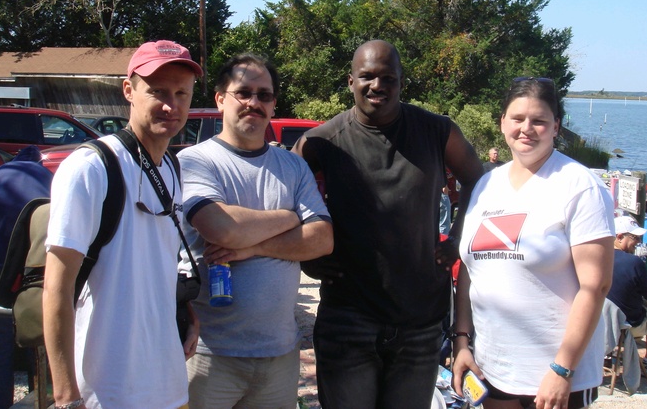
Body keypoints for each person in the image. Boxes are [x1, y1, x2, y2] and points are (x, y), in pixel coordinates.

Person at [293, 39, 484, 409]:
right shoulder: (320, 142)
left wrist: (458, 238)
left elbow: (479, 180)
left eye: (388, 78)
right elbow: (284, 202)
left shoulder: (437, 131)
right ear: (350, 81)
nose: (377, 86)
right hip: (349, 320)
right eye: (367, 76)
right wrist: (307, 258)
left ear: (400, 82)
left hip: (422, 321)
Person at [43, 40, 202, 409]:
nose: (171, 104)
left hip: (168, 385)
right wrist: (67, 397)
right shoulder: (92, 167)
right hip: (107, 392)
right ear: (128, 90)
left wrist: (186, 313)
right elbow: (56, 289)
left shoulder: (171, 168)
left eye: (182, 93)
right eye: (158, 91)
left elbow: (158, 262)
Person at [178, 53, 332, 409]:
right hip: (208, 353)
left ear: (274, 104)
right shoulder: (195, 160)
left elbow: (323, 239)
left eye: (264, 95)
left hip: (280, 354)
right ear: (220, 99)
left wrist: (254, 248)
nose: (254, 102)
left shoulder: (292, 166)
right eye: (243, 92)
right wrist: (291, 216)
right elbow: (222, 229)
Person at [453, 76, 615, 409]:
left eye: (539, 120)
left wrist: (562, 368)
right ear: (502, 123)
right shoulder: (486, 184)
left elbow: (595, 286)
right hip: (493, 368)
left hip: (554, 375)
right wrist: (462, 341)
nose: (527, 128)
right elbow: (471, 269)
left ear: (556, 126)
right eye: (518, 118)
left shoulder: (579, 185)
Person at [0, 145, 53, 409]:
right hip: (32, 261)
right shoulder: (47, 178)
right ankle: (41, 399)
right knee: (38, 333)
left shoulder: (0, 174)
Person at [607, 216, 647, 376]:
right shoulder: (634, 263)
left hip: (601, 324)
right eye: (635, 238)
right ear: (619, 237)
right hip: (628, 326)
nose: (639, 242)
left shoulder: (599, 257)